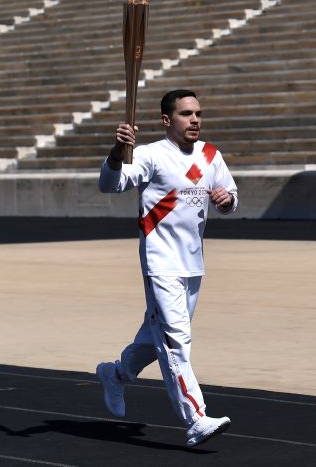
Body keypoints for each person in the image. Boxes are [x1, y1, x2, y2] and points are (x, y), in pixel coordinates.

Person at [95, 89, 237, 447]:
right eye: (187, 114)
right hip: (160, 261)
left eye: (198, 114)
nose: (195, 120)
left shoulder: (209, 155)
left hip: (193, 263)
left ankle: (116, 373)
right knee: (176, 341)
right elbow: (109, 185)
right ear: (166, 120)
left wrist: (226, 200)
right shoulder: (150, 155)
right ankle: (196, 419)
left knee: (155, 336)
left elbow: (230, 196)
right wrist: (117, 152)